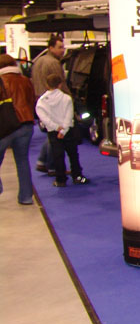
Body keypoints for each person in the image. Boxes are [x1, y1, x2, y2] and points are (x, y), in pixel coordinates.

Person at [35, 73, 89, 187]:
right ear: (60, 84)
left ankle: (60, 180)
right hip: (68, 130)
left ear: (47, 85)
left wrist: (56, 127)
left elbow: (44, 118)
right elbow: (69, 116)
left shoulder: (41, 101)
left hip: (53, 132)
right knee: (73, 154)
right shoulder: (66, 98)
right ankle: (77, 176)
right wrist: (63, 130)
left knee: (58, 156)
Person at [0, 54, 36, 205]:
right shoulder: (25, 80)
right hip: (26, 124)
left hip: (6, 126)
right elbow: (31, 100)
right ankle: (26, 197)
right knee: (22, 161)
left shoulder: (2, 81)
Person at [31, 34, 68, 175]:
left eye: (63, 47)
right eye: (60, 47)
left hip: (41, 101)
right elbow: (61, 84)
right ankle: (53, 167)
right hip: (54, 103)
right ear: (51, 48)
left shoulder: (38, 61)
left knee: (50, 134)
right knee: (56, 135)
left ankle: (42, 161)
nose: (63, 50)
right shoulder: (53, 63)